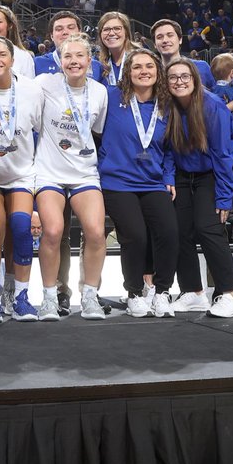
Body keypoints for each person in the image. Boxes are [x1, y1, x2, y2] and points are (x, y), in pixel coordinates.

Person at [32, 34, 108, 321]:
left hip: (84, 171)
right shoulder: (44, 84)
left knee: (96, 232)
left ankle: (90, 296)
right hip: (49, 170)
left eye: (80, 56)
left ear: (90, 60)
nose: (74, 61)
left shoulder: (99, 92)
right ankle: (49, 298)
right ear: (59, 60)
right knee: (52, 232)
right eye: (68, 56)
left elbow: (96, 132)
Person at [97, 49, 178, 318]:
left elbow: (170, 149)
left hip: (153, 182)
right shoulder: (110, 98)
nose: (144, 71)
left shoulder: (167, 105)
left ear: (158, 72)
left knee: (168, 232)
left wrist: (168, 177)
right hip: (117, 181)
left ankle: (162, 292)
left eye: (149, 67)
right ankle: (133, 292)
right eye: (137, 67)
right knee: (135, 235)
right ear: (127, 74)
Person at [162, 57, 233, 317]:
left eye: (185, 76)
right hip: (183, 177)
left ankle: (231, 295)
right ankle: (193, 292)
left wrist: (224, 197)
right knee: (180, 232)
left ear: (195, 79)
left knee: (209, 230)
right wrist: (169, 177)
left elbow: (223, 155)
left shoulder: (213, 106)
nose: (179, 81)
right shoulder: (168, 107)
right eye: (173, 77)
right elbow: (166, 150)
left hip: (211, 176)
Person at [0, 35, 42, 321]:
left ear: (12, 59)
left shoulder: (32, 90)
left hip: (20, 174)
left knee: (20, 228)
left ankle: (20, 295)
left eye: (2, 54)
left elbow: (42, 136)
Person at [34, 11, 101, 79]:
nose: (65, 32)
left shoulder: (96, 67)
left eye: (71, 28)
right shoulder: (37, 63)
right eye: (59, 29)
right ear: (52, 36)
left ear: (80, 32)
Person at [151, 19, 214, 90]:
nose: (165, 40)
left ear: (180, 39)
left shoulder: (202, 67)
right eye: (159, 37)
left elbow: (219, 97)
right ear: (154, 44)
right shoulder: (151, 74)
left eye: (170, 35)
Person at [95, 12, 140, 87]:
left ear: (126, 33)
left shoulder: (141, 58)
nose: (111, 33)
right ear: (100, 34)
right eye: (106, 29)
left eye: (117, 28)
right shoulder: (98, 64)